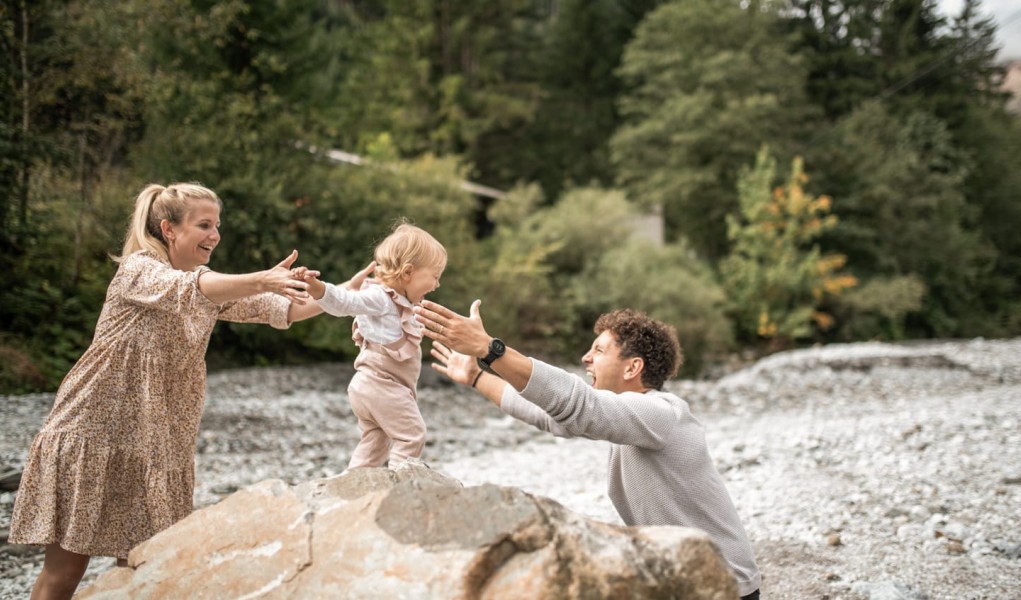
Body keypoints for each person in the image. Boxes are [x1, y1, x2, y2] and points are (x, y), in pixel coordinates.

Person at [8, 182, 332, 600]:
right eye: (204, 225)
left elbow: (285, 309)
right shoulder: (138, 270)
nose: (215, 235)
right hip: (92, 435)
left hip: (155, 448)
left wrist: (356, 293)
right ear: (169, 229)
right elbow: (192, 289)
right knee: (65, 572)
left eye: (217, 225)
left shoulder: (206, 285)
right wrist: (262, 278)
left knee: (149, 570)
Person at [416, 301, 762, 599]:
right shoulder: (628, 419)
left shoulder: (661, 413)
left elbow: (577, 403)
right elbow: (549, 414)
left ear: (633, 367)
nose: (586, 358)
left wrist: (492, 350)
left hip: (724, 584)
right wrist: (477, 376)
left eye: (598, 350)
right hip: (677, 576)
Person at [305, 221, 446, 469]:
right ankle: (400, 487)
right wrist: (318, 289)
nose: (437, 284)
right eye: (434, 276)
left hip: (370, 388)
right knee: (412, 435)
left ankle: (356, 486)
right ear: (408, 272)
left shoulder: (404, 304)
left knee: (375, 442)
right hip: (382, 386)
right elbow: (345, 302)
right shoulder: (381, 298)